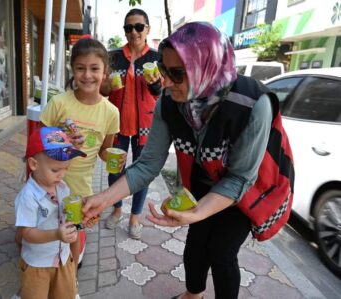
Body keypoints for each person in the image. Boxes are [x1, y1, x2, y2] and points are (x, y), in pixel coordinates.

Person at [83, 22, 285, 299]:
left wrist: (197, 212)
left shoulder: (252, 104)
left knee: (221, 251)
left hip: (246, 186)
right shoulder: (169, 101)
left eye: (176, 73)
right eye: (164, 70)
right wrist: (104, 199)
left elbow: (240, 177)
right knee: (196, 243)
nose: (165, 81)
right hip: (203, 179)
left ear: (207, 67)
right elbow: (147, 164)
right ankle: (193, 294)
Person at [40, 38, 120, 265]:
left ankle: (72, 273)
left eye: (94, 69)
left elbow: (104, 151)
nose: (87, 75)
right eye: (80, 68)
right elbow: (39, 146)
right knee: (47, 227)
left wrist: (115, 159)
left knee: (75, 228)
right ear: (72, 69)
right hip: (49, 182)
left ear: (105, 72)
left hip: (81, 186)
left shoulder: (111, 112)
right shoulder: (58, 103)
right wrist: (65, 143)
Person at [101, 8, 162, 239]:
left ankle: (135, 217)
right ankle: (117, 210)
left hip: (145, 127)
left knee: (141, 172)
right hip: (116, 125)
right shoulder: (113, 56)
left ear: (147, 29)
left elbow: (160, 94)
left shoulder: (156, 58)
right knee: (114, 170)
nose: (134, 32)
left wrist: (154, 85)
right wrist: (108, 86)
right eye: (129, 27)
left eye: (138, 27)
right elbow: (103, 90)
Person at [15, 127, 87, 299]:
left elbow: (68, 215)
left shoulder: (62, 187)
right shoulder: (28, 197)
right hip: (37, 264)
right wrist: (56, 234)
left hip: (63, 258)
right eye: (55, 170)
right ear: (33, 164)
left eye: (66, 168)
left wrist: (81, 217)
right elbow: (27, 233)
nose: (61, 175)